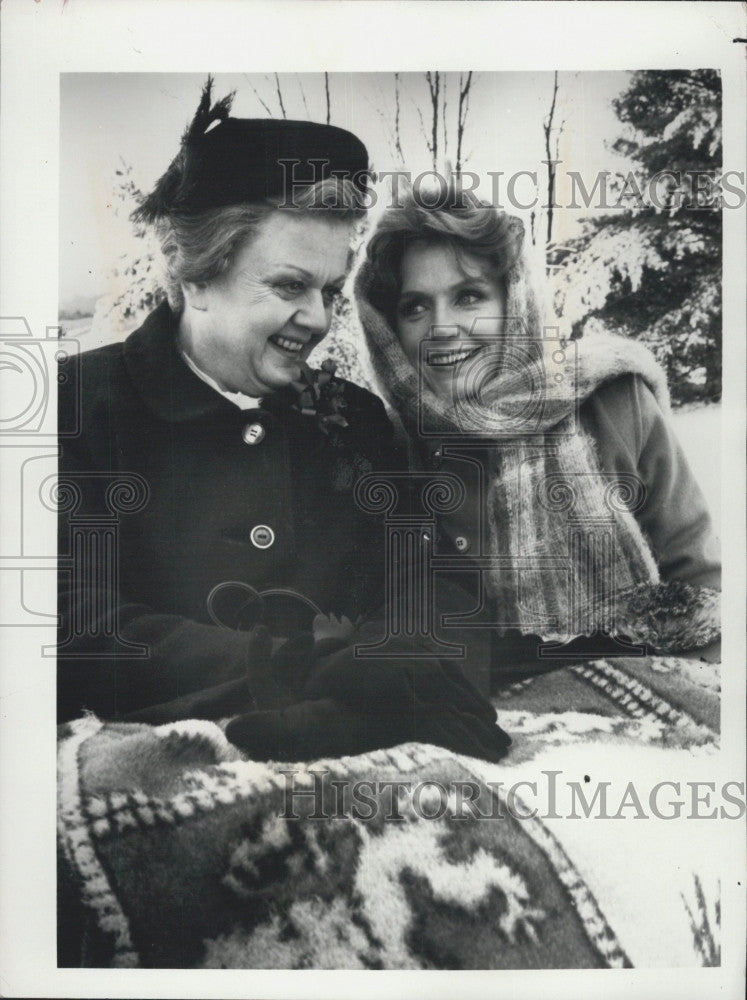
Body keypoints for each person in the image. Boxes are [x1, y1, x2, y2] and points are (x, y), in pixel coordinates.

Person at [57, 80, 509, 763]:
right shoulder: (71, 409)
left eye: (330, 291)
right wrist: (288, 665)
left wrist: (403, 663)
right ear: (195, 275)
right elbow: (59, 617)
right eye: (289, 286)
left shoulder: (351, 421)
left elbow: (432, 576)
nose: (320, 320)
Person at [355, 186, 721, 684]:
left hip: (648, 703)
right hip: (481, 725)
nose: (441, 327)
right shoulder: (388, 447)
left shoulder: (612, 400)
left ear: (514, 301)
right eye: (415, 306)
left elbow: (702, 585)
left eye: (468, 297)